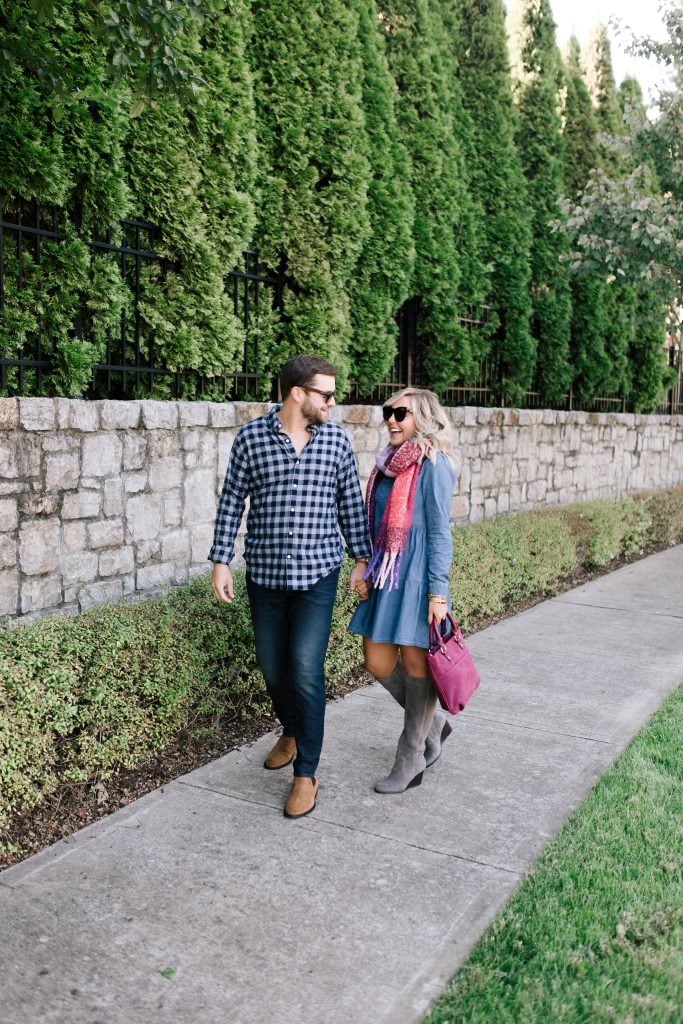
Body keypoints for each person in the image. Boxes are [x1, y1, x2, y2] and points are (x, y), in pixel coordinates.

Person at [209, 355, 371, 819]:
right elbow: (232, 501)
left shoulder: (336, 441)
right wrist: (221, 561)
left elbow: (350, 505)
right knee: (273, 668)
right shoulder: (251, 438)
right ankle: (293, 729)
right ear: (297, 393)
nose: (333, 402)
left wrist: (362, 560)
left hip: (318, 574)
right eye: (326, 394)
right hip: (265, 573)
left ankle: (306, 773)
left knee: (304, 669)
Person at [349, 388, 456, 793]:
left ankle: (410, 757)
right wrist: (363, 564)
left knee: (416, 667)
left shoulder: (434, 464)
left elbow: (440, 533)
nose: (391, 420)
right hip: (386, 574)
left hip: (415, 580)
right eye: (389, 412)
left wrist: (437, 593)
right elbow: (374, 523)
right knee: (377, 662)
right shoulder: (387, 465)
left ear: (422, 419)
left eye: (401, 413)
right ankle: (433, 723)